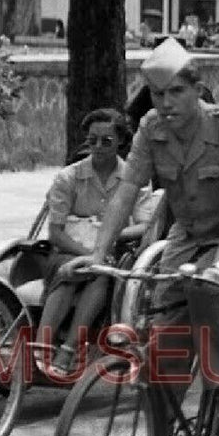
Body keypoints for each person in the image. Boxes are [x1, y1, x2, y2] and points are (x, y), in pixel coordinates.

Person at [61, 38, 219, 436]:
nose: (164, 104)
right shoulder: (149, 130)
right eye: (157, 95)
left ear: (198, 89)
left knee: (204, 288)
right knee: (161, 353)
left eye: (175, 93)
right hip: (186, 239)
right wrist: (99, 257)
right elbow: (125, 193)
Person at [36, 109, 159, 377]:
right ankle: (42, 347)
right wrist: (89, 253)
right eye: (93, 141)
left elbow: (144, 223)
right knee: (76, 270)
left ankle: (69, 348)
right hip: (68, 250)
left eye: (107, 141)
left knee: (99, 274)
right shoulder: (68, 178)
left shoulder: (133, 178)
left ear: (120, 142)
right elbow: (56, 233)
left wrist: (110, 235)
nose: (99, 147)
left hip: (110, 254)